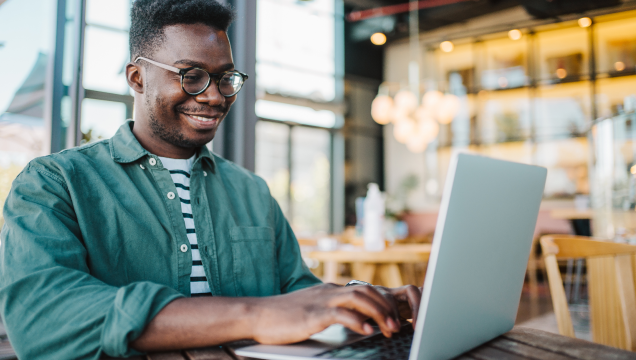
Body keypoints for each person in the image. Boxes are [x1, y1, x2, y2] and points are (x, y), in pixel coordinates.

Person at [0, 0, 421, 359]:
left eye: (225, 78)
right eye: (191, 75)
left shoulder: (251, 191)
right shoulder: (55, 183)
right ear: (137, 78)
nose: (215, 95)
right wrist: (255, 315)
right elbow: (46, 316)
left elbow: (298, 292)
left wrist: (362, 299)